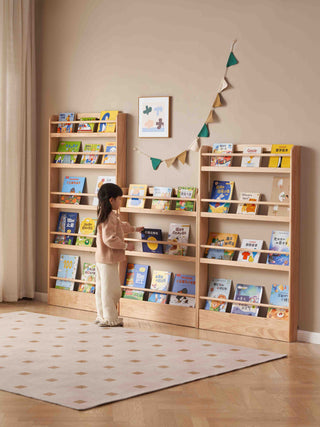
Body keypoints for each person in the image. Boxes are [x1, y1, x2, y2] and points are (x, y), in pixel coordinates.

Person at [95, 183, 143, 327]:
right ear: (111, 200)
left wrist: (134, 228)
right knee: (112, 290)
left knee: (102, 288)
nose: (120, 202)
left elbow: (120, 226)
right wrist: (125, 245)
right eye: (119, 199)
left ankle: (102, 315)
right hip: (108, 259)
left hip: (101, 258)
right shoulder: (109, 217)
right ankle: (110, 318)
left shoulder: (105, 214)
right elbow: (109, 239)